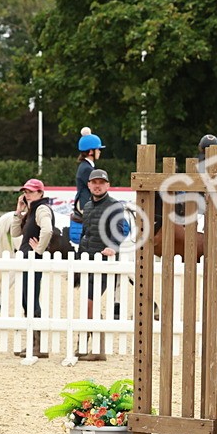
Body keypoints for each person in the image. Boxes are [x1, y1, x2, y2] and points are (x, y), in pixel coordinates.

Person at [76, 168, 129, 361]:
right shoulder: (88, 206)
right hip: (87, 261)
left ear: (108, 185)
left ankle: (96, 347)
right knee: (87, 304)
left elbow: (120, 230)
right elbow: (86, 233)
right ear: (89, 185)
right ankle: (86, 345)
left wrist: (113, 247)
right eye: (94, 182)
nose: (97, 186)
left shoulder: (115, 206)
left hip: (105, 263)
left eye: (101, 183)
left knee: (90, 303)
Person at [10, 178, 53, 358]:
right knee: (26, 300)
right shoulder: (31, 210)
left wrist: (39, 250)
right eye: (26, 192)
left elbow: (47, 230)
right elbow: (15, 233)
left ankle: (38, 345)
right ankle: (34, 343)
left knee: (32, 300)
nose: (27, 194)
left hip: (33, 260)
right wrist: (18, 211)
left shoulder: (41, 209)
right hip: (27, 260)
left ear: (40, 193)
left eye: (31, 192)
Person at [72, 127, 105, 244]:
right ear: (91, 151)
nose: (100, 151)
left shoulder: (88, 166)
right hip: (85, 203)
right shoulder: (87, 168)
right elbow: (97, 190)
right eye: (98, 149)